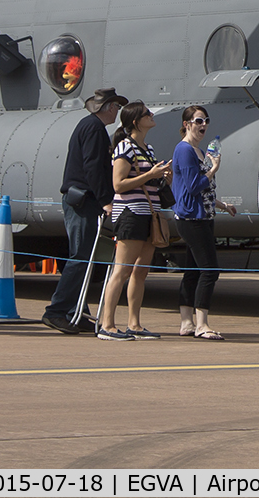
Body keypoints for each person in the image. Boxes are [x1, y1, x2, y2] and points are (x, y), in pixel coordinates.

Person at [43, 87, 126, 335]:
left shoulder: (89, 126)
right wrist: (105, 200)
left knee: (84, 258)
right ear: (108, 107)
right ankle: (57, 311)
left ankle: (74, 312)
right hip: (83, 201)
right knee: (80, 258)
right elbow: (92, 168)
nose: (117, 112)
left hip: (81, 200)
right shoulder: (94, 129)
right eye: (116, 107)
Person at [97, 101, 172, 340]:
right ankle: (107, 325)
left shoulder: (147, 149)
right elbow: (118, 184)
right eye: (146, 114)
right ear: (136, 121)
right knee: (122, 270)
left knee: (141, 271)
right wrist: (151, 174)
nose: (151, 115)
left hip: (149, 214)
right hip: (130, 212)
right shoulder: (124, 147)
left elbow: (148, 182)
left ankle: (134, 324)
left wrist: (162, 178)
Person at [172, 105, 237, 340]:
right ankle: (202, 324)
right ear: (187, 124)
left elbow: (203, 192)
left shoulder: (199, 152)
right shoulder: (185, 150)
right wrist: (213, 170)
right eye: (198, 121)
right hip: (192, 219)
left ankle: (187, 322)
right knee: (210, 270)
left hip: (203, 216)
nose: (203, 125)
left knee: (192, 270)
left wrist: (223, 205)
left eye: (206, 121)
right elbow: (193, 186)